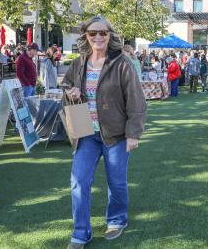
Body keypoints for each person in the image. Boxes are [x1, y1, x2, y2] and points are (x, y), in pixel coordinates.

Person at [62, 16, 146, 249]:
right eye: (92, 33)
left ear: (110, 36)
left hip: (115, 134)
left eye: (103, 33)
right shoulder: (79, 63)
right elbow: (66, 84)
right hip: (85, 132)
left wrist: (133, 134)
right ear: (85, 36)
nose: (98, 37)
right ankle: (80, 232)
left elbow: (136, 100)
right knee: (78, 181)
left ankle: (117, 220)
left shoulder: (122, 63)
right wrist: (71, 91)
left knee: (116, 181)